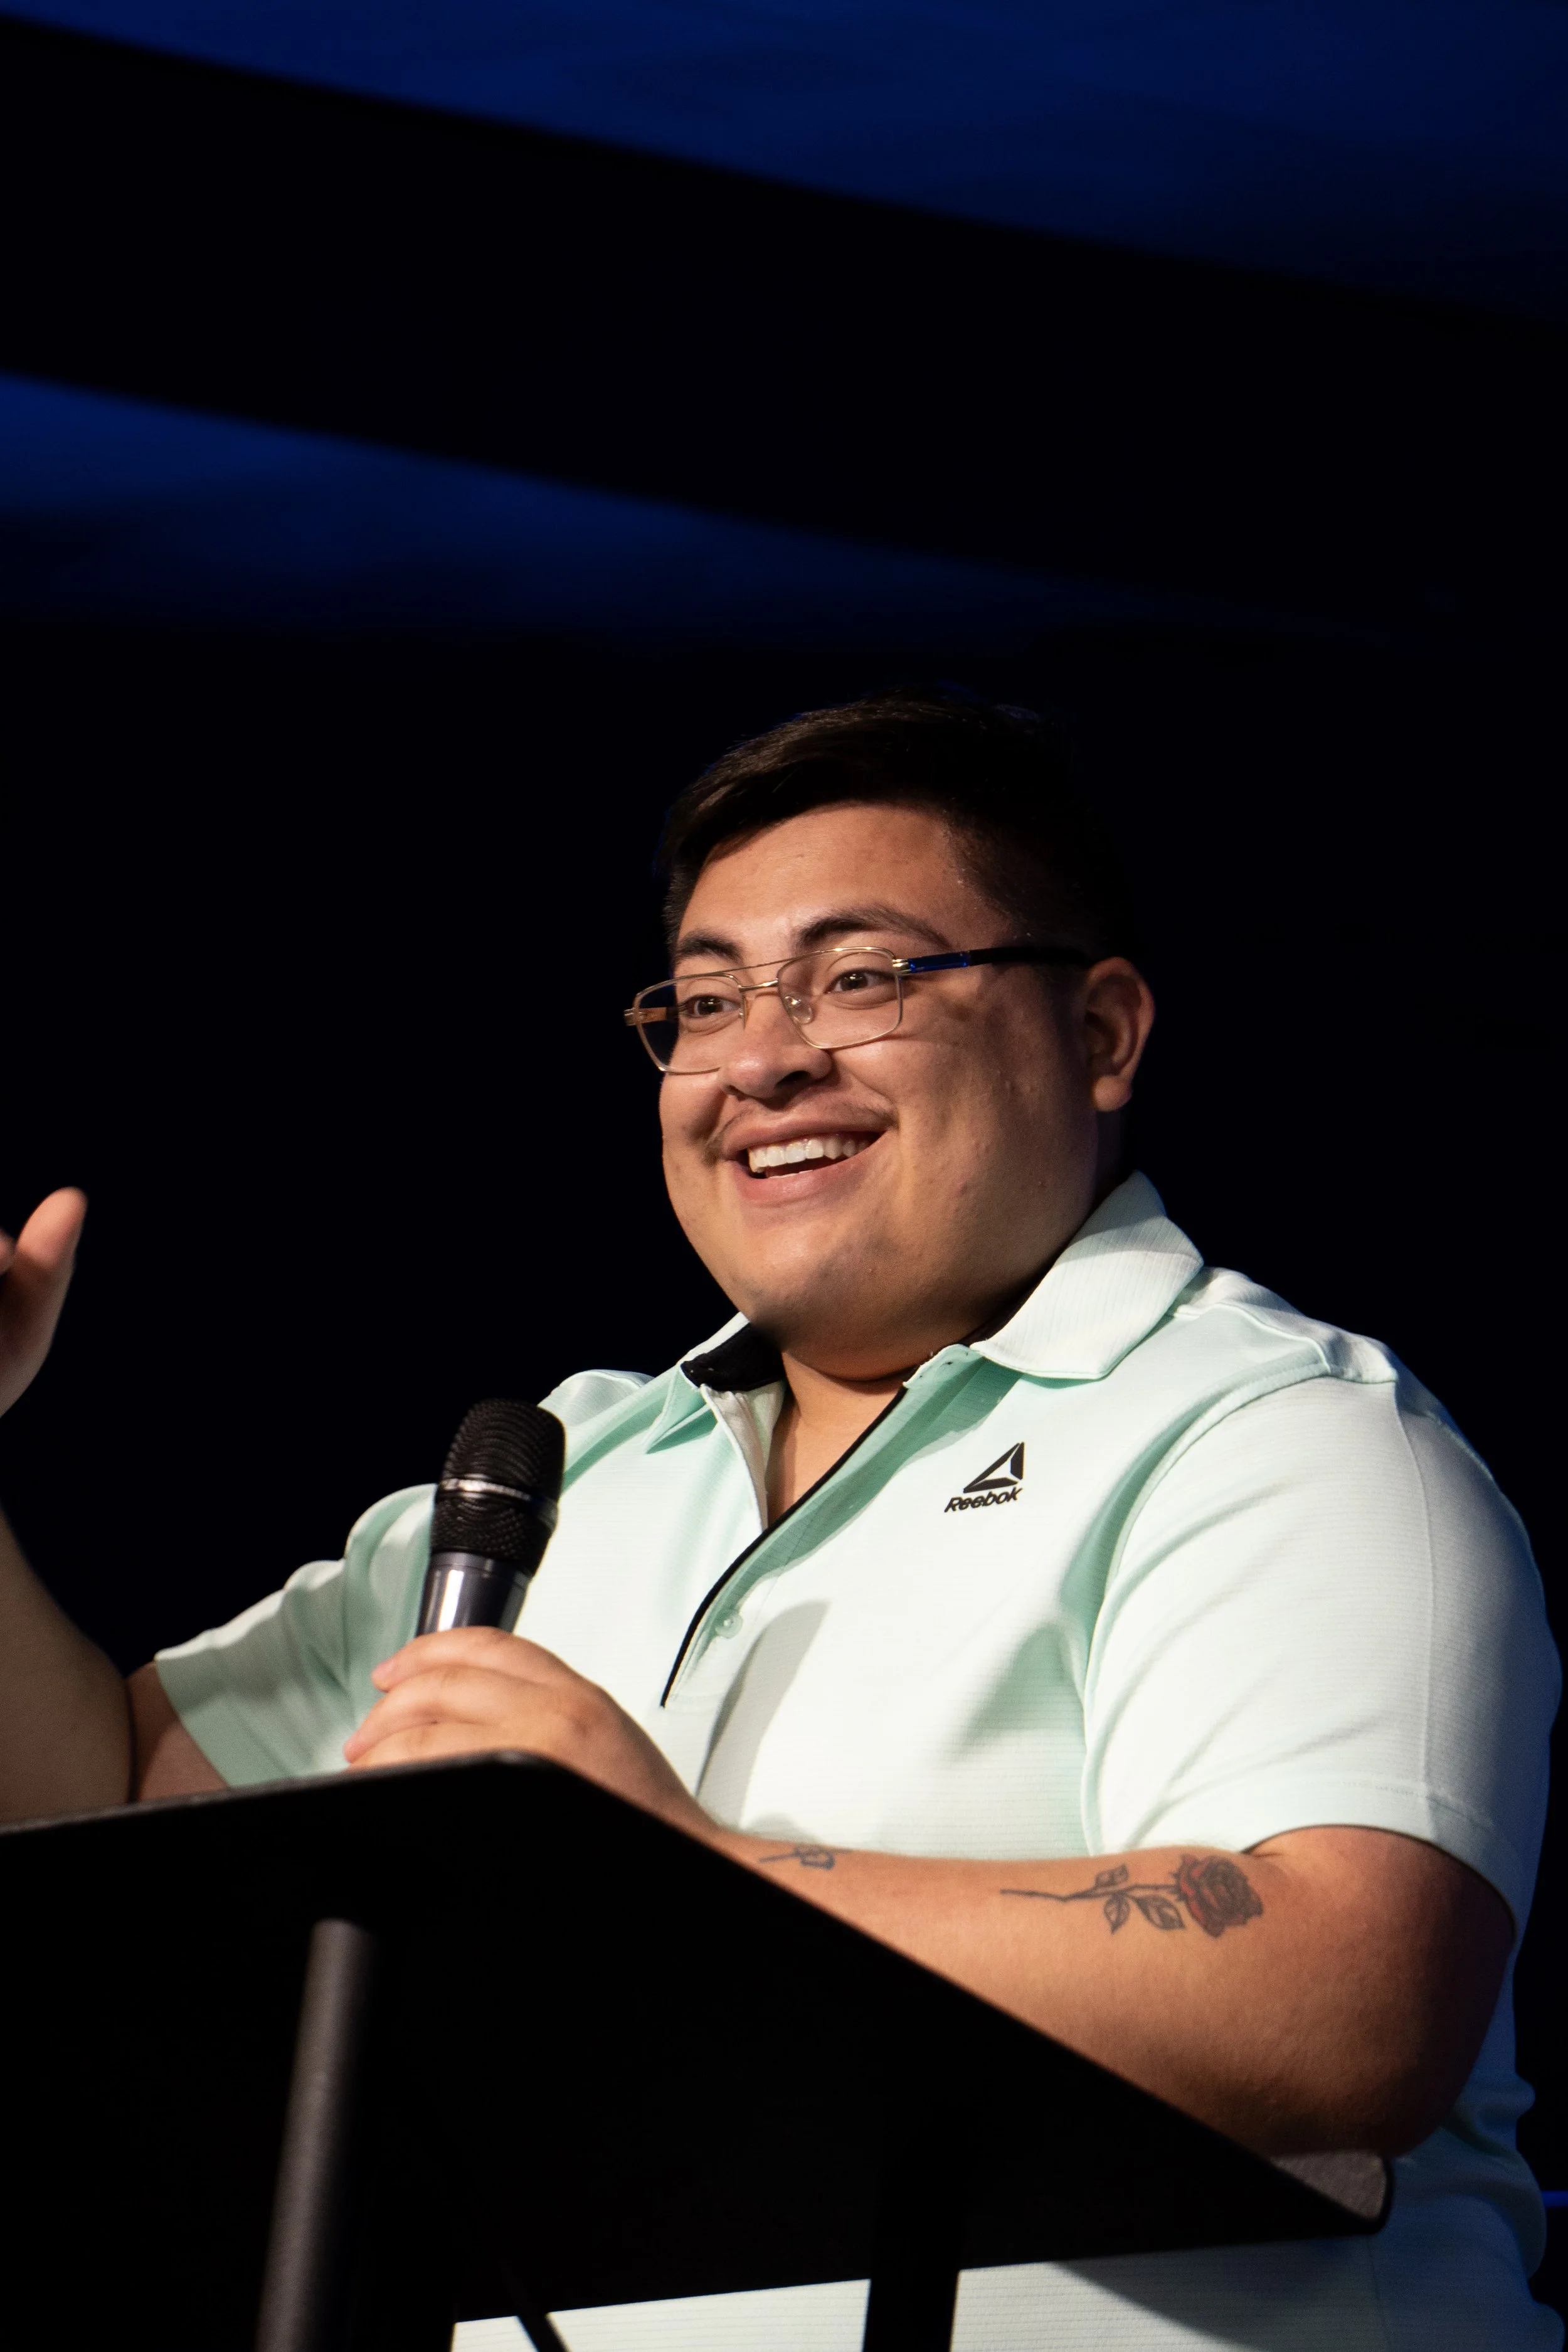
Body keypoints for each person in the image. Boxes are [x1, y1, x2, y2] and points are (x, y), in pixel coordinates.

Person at [0, 687, 1557, 2351]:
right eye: (705, 997)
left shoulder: (1277, 1437)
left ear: (1100, 1032)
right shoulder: (570, 1470)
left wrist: (677, 1871)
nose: (758, 1058)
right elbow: (91, 1795)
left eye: (860, 977)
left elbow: (1345, 2003)